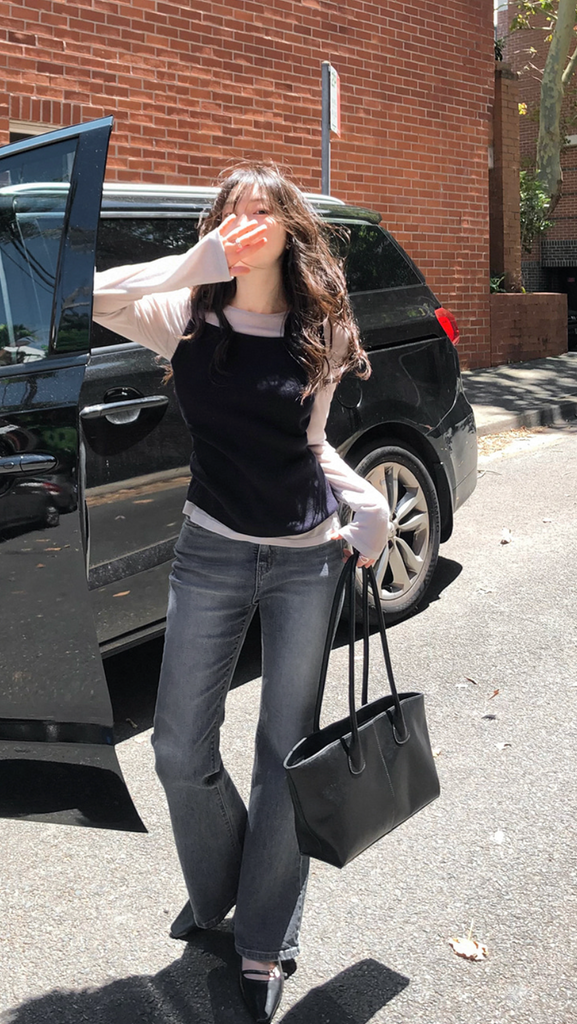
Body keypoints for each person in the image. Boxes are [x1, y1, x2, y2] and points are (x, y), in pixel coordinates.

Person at [93, 163, 389, 1023]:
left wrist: (367, 506)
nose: (248, 221)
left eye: (264, 210)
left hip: (307, 559)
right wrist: (196, 264)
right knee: (177, 748)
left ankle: (264, 940)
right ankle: (225, 889)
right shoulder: (184, 316)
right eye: (232, 211)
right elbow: (85, 295)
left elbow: (312, 443)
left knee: (281, 756)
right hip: (211, 552)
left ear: (290, 227)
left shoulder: (323, 328)